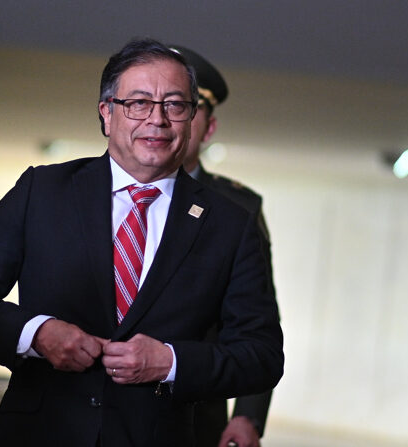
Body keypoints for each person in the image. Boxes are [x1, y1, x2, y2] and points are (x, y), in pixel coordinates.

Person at [0, 38, 283, 447]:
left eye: (174, 105)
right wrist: (38, 333)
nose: (157, 120)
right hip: (39, 433)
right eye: (138, 103)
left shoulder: (230, 224)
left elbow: (262, 356)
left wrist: (169, 362)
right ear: (107, 114)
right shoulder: (42, 191)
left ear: (191, 120)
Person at [170, 45, 276, 447]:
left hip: (195, 405)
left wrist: (248, 415)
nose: (170, 121)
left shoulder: (238, 208)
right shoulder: (102, 191)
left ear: (208, 129)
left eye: (186, 110)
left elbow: (258, 320)